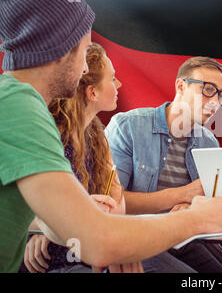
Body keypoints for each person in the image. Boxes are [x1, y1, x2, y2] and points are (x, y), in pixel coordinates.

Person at [0, 0, 222, 273]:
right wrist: (199, 218)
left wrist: (64, 226)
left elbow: (62, 220)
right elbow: (100, 242)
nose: (86, 69)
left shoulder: (15, 103)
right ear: (61, 49)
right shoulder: (19, 106)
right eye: (84, 53)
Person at [105, 56, 222, 273]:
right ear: (180, 86)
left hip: (186, 237)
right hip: (139, 237)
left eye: (220, 94)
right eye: (207, 89)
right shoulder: (128, 126)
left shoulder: (208, 141)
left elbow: (204, 201)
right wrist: (184, 194)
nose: (215, 101)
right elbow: (112, 203)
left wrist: (191, 207)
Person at [21, 43, 139, 273]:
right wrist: (51, 227)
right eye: (113, 79)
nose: (119, 85)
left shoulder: (97, 135)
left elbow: (117, 207)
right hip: (44, 260)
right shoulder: (45, 135)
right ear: (92, 92)